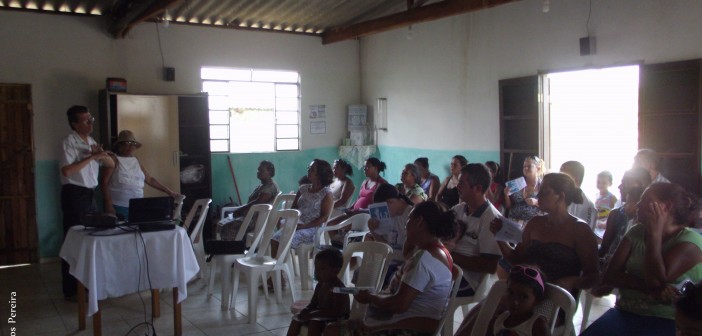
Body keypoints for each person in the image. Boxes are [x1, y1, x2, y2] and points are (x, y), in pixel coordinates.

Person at [582, 183, 702, 336]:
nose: (638, 203)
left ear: (665, 207)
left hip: (669, 319)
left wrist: (654, 235)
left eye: (645, 200)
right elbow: (610, 275)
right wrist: (650, 289)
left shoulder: (691, 242)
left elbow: (656, 280)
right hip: (626, 311)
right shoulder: (636, 232)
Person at [324, 201, 456, 336]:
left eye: (409, 219)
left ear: (419, 222)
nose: (405, 224)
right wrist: (412, 236)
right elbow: (406, 254)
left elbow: (399, 305)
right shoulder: (437, 251)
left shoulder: (424, 260)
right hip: (404, 323)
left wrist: (370, 297)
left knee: (332, 331)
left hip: (405, 329)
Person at [492, 172, 599, 295]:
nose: (538, 196)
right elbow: (516, 259)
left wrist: (572, 282)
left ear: (560, 196)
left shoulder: (580, 230)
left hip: (557, 298)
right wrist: (499, 236)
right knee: (484, 311)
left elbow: (593, 276)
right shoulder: (535, 223)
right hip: (526, 294)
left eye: (544, 192)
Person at [59, 105, 115, 301]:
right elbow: (67, 171)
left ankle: (87, 285)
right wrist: (92, 157)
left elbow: (110, 165)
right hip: (74, 194)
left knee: (91, 238)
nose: (91, 123)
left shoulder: (90, 141)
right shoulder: (69, 141)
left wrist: (103, 155)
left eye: (91, 118)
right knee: (74, 240)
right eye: (86, 120)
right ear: (74, 124)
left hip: (89, 194)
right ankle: (71, 290)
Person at [448, 163, 502, 298]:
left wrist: (449, 255)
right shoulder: (457, 210)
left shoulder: (492, 219)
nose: (457, 186)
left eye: (462, 183)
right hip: (448, 270)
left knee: (425, 289)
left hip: (467, 280)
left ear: (478, 188)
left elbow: (489, 266)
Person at [100, 130, 179, 220]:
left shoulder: (136, 160)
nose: (130, 146)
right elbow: (104, 182)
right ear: (119, 145)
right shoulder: (114, 159)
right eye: (127, 143)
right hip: (119, 205)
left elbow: (149, 179)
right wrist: (108, 204)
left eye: (133, 143)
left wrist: (169, 192)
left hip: (138, 205)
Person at [455, 265, 550, 336]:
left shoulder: (537, 325)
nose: (515, 301)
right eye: (511, 293)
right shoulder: (499, 319)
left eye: (523, 297)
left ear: (536, 300)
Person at [271, 159, 334, 257]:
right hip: (297, 224)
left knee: (283, 239)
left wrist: (303, 226)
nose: (308, 170)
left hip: (312, 229)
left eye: (312, 169)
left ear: (320, 174)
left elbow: (324, 217)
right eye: (308, 168)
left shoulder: (326, 193)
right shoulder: (303, 189)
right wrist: (289, 220)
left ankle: (280, 268)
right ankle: (278, 269)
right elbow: (294, 209)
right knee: (275, 239)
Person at [287, 248, 350, 336]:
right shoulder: (320, 285)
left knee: (314, 323)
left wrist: (314, 314)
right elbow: (313, 304)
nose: (317, 272)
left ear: (336, 270)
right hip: (321, 316)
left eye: (322, 269)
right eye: (316, 268)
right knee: (297, 318)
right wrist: (306, 311)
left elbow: (337, 312)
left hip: (337, 320)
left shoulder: (338, 289)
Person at [598, 167, 651, 263]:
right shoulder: (615, 214)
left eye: (625, 183)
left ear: (640, 186)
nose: (619, 187)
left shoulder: (652, 221)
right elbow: (604, 250)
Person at [219, 160, 279, 240]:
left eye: (262, 170)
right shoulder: (262, 185)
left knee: (226, 226)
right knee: (222, 222)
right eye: (258, 170)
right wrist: (239, 211)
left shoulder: (270, 187)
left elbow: (257, 203)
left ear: (270, 172)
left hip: (255, 221)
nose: (258, 172)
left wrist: (239, 210)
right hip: (250, 217)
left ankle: (233, 248)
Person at [503, 155, 544, 229]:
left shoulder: (543, 185)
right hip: (514, 222)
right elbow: (508, 206)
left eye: (529, 166)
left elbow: (549, 206)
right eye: (524, 166)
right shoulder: (517, 183)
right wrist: (506, 195)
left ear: (538, 168)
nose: (525, 168)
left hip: (533, 224)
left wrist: (536, 202)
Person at [559, 161, 597, 231]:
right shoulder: (558, 198)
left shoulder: (588, 206)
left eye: (562, 176)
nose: (558, 179)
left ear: (575, 180)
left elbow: (585, 234)